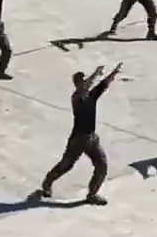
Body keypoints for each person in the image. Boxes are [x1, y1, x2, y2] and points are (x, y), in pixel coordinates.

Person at [40, 64, 123, 206]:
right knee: (66, 165)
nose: (85, 84)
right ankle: (47, 183)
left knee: (101, 165)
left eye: (85, 81)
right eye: (82, 82)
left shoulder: (92, 96)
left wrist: (114, 73)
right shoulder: (76, 98)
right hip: (78, 139)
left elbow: (104, 84)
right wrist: (95, 74)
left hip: (91, 137)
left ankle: (92, 194)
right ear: (77, 84)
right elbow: (86, 87)